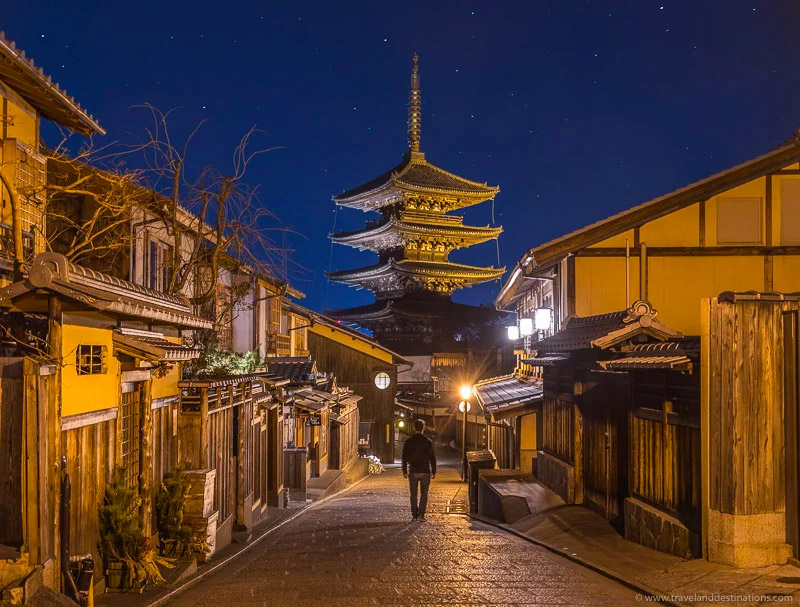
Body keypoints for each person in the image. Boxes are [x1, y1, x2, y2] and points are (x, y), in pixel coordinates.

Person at [402, 419, 436, 521]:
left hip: (413, 470)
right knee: (424, 493)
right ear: (423, 428)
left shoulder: (409, 441)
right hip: (425, 470)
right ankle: (421, 515)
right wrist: (433, 471)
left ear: (414, 427)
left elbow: (404, 457)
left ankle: (414, 515)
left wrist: (404, 470)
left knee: (413, 494)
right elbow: (432, 457)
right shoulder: (428, 442)